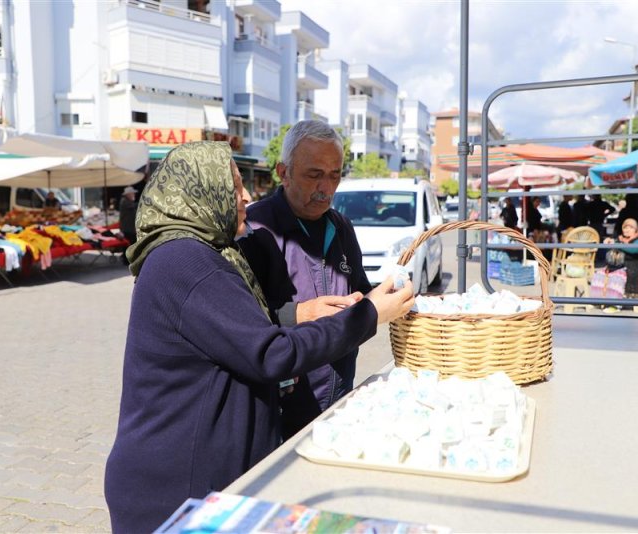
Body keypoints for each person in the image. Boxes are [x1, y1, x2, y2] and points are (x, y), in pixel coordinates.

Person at [104, 141, 414, 533]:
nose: (246, 196)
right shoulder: (187, 262)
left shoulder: (205, 254)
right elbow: (271, 352)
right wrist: (367, 316)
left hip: (203, 481)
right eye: (234, 186)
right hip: (177, 490)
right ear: (199, 191)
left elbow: (247, 338)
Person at [238, 120, 373, 439]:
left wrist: (373, 300)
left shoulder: (341, 227)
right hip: (278, 413)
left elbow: (362, 289)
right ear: (282, 172)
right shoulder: (253, 230)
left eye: (335, 175)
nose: (326, 188)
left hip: (338, 398)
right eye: (314, 175)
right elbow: (235, 324)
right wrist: (298, 314)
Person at [599, 217, 638, 311]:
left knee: (617, 276)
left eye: (630, 228)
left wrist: (617, 244)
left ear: (636, 230)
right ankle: (599, 300)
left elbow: (634, 250)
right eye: (625, 228)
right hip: (619, 265)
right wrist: (608, 243)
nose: (627, 230)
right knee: (600, 273)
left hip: (633, 266)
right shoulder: (619, 239)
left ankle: (615, 304)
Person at [118, 186, 138, 264]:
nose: (134, 195)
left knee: (130, 244)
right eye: (132, 193)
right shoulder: (124, 201)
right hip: (127, 228)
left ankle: (128, 259)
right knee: (128, 244)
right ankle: (126, 260)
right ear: (128, 194)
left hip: (130, 227)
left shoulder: (128, 201)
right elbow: (134, 206)